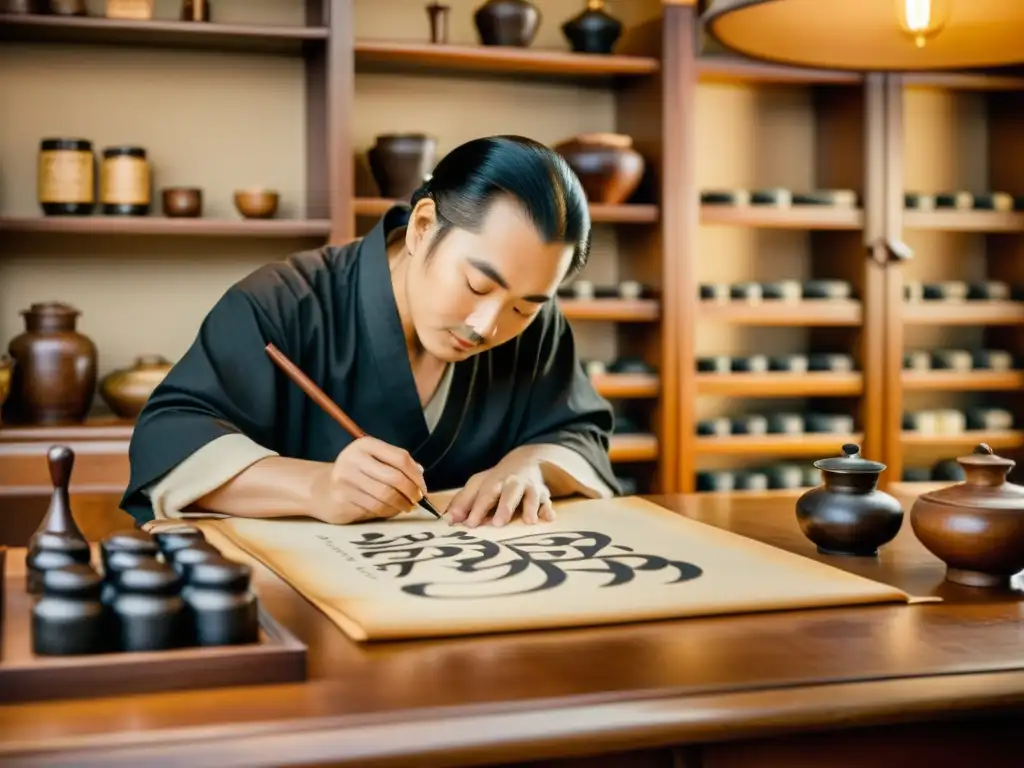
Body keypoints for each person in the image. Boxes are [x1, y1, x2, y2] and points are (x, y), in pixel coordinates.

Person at [121, 135, 619, 530]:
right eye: (476, 284)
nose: (487, 325)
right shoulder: (284, 302)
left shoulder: (536, 324)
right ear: (424, 227)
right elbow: (168, 443)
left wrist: (528, 467)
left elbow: (578, 432)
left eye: (524, 305)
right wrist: (318, 487)